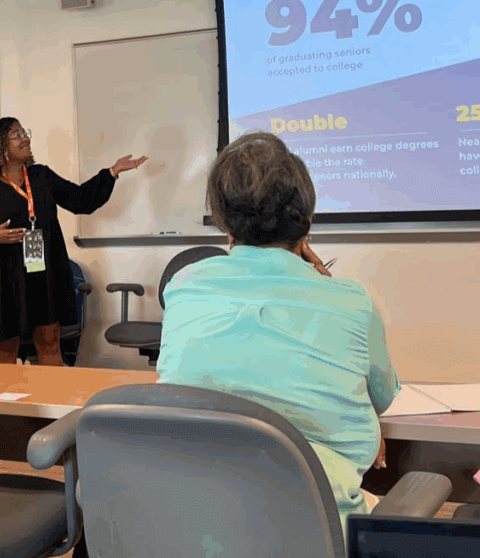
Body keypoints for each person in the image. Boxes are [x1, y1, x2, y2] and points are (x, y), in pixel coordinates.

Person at [156, 132, 398, 534]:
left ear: (224, 220)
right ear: (306, 215)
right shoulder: (352, 301)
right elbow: (382, 398)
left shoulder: (184, 285)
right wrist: (326, 282)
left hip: (194, 521)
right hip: (311, 528)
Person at [0, 118, 146, 365]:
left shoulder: (41, 176)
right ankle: (8, 403)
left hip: (43, 273)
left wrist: (111, 173)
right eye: (17, 135)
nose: (25, 138)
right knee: (6, 351)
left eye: (25, 132)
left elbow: (80, 200)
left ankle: (53, 402)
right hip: (5, 279)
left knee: (49, 342)